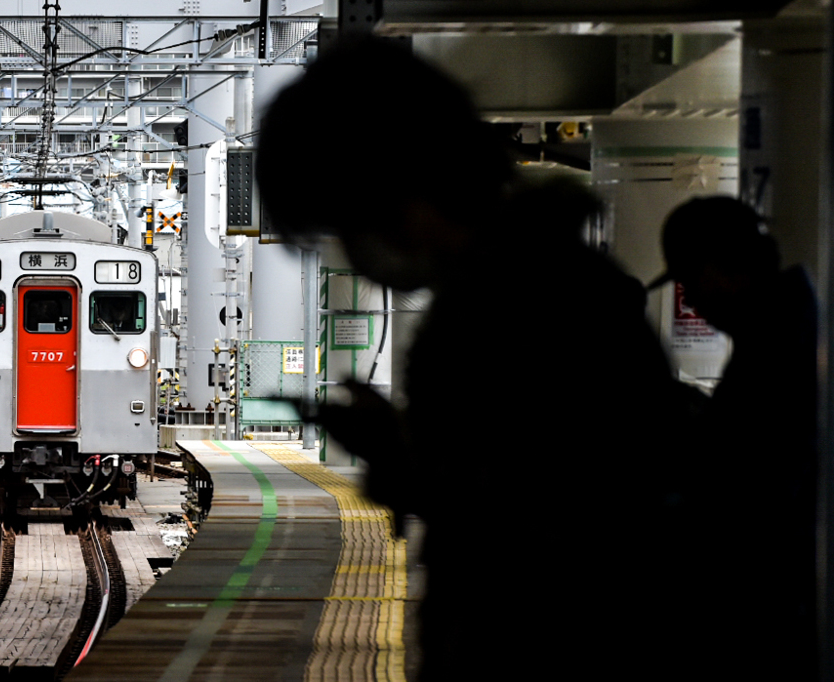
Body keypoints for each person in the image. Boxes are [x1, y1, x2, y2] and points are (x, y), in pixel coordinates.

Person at [257, 36, 691, 680]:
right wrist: (401, 453)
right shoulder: (541, 281)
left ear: (400, 190)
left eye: (348, 222)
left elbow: (543, 543)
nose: (354, 249)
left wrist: (404, 461)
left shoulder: (515, 305)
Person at [654, 196, 817, 680]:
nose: (692, 300)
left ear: (718, 269)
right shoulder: (785, 328)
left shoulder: (776, 352)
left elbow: (745, 496)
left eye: (689, 281)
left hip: (764, 625)